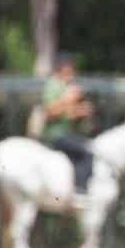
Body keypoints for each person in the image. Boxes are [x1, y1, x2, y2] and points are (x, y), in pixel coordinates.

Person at [41, 51, 96, 197]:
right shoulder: (53, 84)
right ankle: (80, 191)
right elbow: (50, 112)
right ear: (62, 67)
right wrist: (70, 97)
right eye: (69, 66)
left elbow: (65, 114)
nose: (72, 70)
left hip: (64, 132)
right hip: (55, 135)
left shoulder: (63, 86)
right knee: (87, 152)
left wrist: (80, 111)